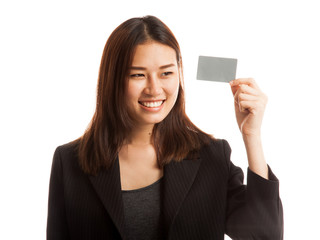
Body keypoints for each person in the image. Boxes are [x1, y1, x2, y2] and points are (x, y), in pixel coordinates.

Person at [46, 15, 283, 240]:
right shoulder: (69, 162)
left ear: (179, 75)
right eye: (138, 75)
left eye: (166, 73)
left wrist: (251, 135)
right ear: (113, 80)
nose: (154, 88)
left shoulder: (212, 156)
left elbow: (264, 235)